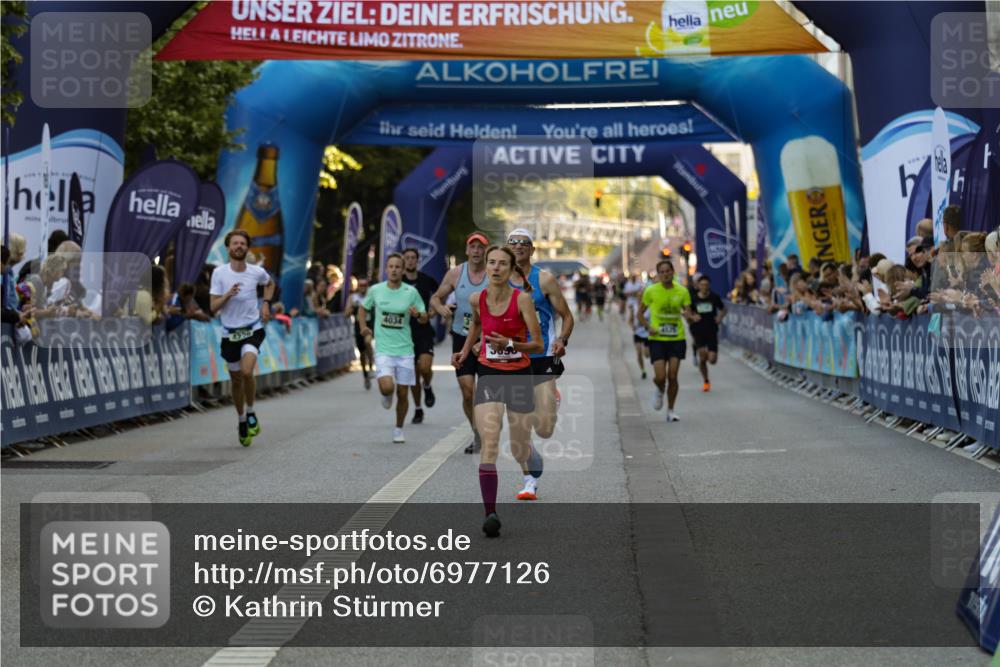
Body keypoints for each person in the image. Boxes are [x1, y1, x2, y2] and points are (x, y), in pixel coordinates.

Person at [452, 245, 544, 538]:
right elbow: (477, 325)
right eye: (491, 263)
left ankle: (529, 456)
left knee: (518, 446)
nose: (495, 268)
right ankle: (490, 512)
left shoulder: (523, 300)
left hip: (518, 374)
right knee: (489, 442)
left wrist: (511, 345)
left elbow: (538, 345)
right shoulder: (476, 298)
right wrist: (466, 351)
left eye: (502, 264)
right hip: (489, 373)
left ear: (511, 268)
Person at [506, 229, 574, 483]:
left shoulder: (544, 280)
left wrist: (561, 339)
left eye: (524, 243)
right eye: (513, 242)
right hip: (510, 360)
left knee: (544, 429)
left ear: (532, 250)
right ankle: (529, 481)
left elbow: (567, 316)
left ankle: (552, 398)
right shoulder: (497, 281)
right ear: (506, 248)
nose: (519, 246)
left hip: (542, 356)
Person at [209, 230, 275, 447]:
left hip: (252, 329)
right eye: (235, 243)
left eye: (242, 243)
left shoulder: (256, 272)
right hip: (230, 333)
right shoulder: (219, 273)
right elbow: (212, 307)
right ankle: (241, 420)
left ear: (247, 248)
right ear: (228, 248)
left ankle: (251, 410)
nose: (238, 246)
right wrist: (227, 295)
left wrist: (266, 303)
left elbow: (270, 283)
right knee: (236, 380)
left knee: (247, 371)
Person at [358, 253, 429, 444]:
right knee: (388, 386)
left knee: (404, 393)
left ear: (403, 269)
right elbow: (363, 308)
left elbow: (424, 317)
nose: (394, 270)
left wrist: (418, 315)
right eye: (391, 266)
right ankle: (386, 394)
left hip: (405, 349)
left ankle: (398, 428)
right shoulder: (376, 290)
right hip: (384, 349)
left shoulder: (410, 292)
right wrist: (363, 327)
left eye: (398, 266)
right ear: (386, 269)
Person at [430, 232, 490, 454]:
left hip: (487, 338)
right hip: (461, 337)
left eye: (480, 247)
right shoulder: (456, 274)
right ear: (467, 250)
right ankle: (477, 433)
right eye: (472, 247)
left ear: (486, 250)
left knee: (486, 392)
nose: (476, 251)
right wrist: (441, 308)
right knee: (467, 392)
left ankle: (488, 429)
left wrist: (484, 338)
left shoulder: (494, 275)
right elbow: (435, 298)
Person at [639, 259, 697, 422]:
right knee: (660, 377)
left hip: (676, 338)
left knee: (672, 375)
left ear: (673, 272)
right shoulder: (651, 291)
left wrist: (690, 317)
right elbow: (640, 314)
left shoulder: (682, 291)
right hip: (657, 338)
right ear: (658, 275)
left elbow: (689, 315)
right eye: (662, 272)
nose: (665, 274)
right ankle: (659, 389)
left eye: (668, 271)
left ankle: (671, 410)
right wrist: (647, 326)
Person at [401, 247, 440, 424]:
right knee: (413, 375)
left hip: (424, 331)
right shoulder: (398, 282)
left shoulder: (426, 280)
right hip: (404, 334)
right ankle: (418, 409)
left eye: (413, 258)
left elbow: (440, 298)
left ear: (417, 260)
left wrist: (431, 313)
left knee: (425, 367)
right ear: (403, 261)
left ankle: (427, 385)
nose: (410, 261)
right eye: (407, 258)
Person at [689, 275, 726, 392]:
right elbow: (686, 312)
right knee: (702, 356)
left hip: (711, 330)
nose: (704, 287)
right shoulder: (694, 299)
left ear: (709, 286)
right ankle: (706, 381)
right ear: (698, 286)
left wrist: (719, 317)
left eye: (706, 285)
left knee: (712, 360)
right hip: (698, 330)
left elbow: (724, 309)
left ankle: (703, 356)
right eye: (702, 285)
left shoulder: (714, 297)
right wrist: (692, 316)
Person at [346, 278, 375, 390]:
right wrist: (352, 306)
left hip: (369, 325)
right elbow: (346, 314)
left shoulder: (371, 296)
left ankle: (372, 367)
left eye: (365, 286)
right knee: (362, 353)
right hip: (358, 327)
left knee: (368, 342)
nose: (363, 288)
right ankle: (365, 375)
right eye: (361, 286)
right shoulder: (353, 298)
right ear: (358, 287)